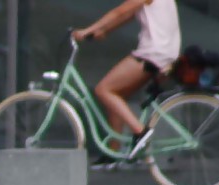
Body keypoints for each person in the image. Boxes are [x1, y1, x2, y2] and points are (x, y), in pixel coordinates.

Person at [73, 0, 181, 168]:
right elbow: (129, 14)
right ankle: (114, 153)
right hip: (164, 53)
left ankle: (140, 132)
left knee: (104, 90)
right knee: (116, 95)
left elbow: (120, 11)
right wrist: (104, 30)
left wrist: (88, 30)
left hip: (153, 53)